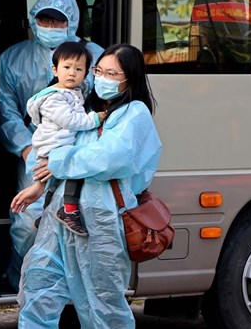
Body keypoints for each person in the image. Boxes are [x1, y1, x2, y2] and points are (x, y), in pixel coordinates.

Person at [11, 44, 162, 328]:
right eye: (99, 71)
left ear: (130, 78)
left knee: (102, 304)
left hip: (100, 222)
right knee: (38, 289)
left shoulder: (134, 113)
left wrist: (59, 161)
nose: (101, 77)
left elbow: (108, 158)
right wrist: (39, 186)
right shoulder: (85, 109)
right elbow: (56, 149)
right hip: (59, 217)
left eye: (112, 73)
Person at [0, 0, 104, 291]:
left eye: (59, 20)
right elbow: (5, 109)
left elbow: (105, 103)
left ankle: (70, 290)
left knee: (79, 221)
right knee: (27, 223)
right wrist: (26, 147)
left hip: (80, 151)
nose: (52, 26)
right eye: (46, 20)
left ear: (72, 21)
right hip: (38, 150)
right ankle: (26, 285)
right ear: (34, 19)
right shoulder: (13, 59)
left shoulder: (95, 56)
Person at [26, 41, 106, 236]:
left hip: (57, 143)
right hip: (54, 145)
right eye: (67, 67)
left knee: (53, 185)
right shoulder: (54, 98)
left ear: (86, 74)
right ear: (55, 70)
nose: (72, 73)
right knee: (74, 172)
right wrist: (95, 118)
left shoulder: (73, 92)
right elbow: (70, 120)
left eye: (79, 69)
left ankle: (45, 213)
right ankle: (69, 211)